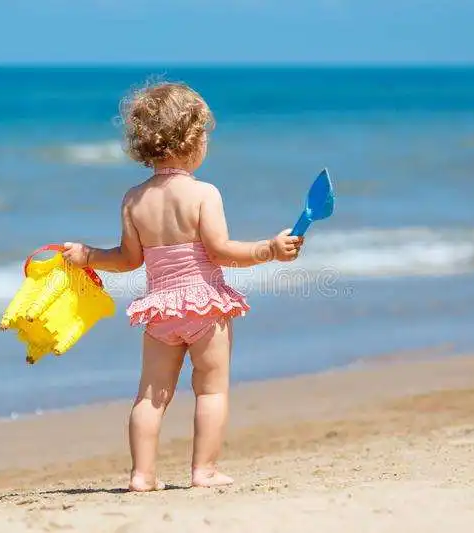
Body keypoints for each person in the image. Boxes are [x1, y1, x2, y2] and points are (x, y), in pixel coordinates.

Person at [62, 81, 304, 491]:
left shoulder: (134, 199)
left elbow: (128, 259)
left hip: (160, 310)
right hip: (204, 307)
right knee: (210, 390)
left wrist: (88, 256)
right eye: (205, 134)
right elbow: (223, 252)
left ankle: (141, 475)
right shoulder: (203, 193)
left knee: (151, 395)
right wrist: (270, 249)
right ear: (191, 138)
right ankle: (204, 470)